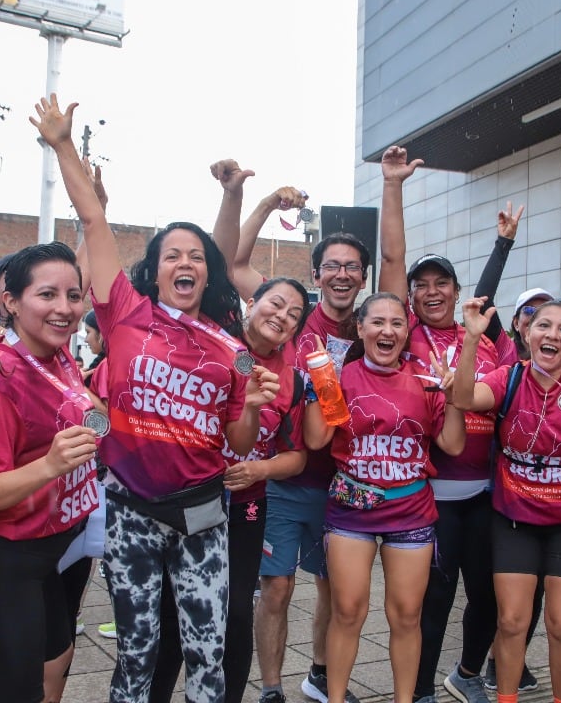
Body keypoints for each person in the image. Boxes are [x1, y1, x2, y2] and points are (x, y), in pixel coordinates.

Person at [36, 93, 277, 703]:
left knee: (207, 653)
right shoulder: (125, 312)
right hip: (131, 510)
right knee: (137, 652)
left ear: (208, 272)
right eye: (173, 255)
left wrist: (251, 405)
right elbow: (95, 223)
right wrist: (63, 146)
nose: (185, 262)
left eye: (196, 256)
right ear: (157, 268)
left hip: (203, 515)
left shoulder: (231, 348)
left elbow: (238, 441)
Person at [147, 161, 312, 703]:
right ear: (251, 302)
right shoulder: (216, 331)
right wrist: (246, 197)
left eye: (293, 314)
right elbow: (222, 260)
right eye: (275, 303)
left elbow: (298, 457)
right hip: (183, 495)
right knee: (172, 615)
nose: (281, 316)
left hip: (244, 508)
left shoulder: (293, 378)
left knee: (234, 613)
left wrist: (259, 468)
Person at [377, 144, 522, 703]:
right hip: (431, 496)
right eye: (423, 285)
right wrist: (394, 187)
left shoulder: (482, 335)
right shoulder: (407, 334)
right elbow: (393, 260)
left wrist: (502, 245)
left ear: (458, 293)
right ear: (411, 297)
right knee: (433, 600)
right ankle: (419, 691)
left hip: (485, 492)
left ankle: (466, 672)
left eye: (443, 283)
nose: (432, 291)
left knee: (487, 596)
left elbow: (488, 301)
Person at [221, 192, 370, 701]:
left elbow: (321, 433)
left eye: (352, 267)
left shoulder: (372, 324)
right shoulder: (294, 315)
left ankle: (321, 674)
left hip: (340, 484)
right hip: (284, 482)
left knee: (333, 587)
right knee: (277, 586)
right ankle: (270, 687)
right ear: (317, 274)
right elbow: (235, 263)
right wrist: (263, 203)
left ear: (364, 278)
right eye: (332, 267)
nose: (342, 275)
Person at [0, 241, 101, 703]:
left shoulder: (57, 353)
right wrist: (49, 466)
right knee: (18, 691)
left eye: (73, 296)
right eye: (47, 295)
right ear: (10, 301)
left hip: (50, 550)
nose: (65, 308)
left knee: (58, 657)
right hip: (5, 558)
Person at [452, 296, 561, 703]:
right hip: (515, 519)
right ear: (527, 333)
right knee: (511, 621)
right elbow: (463, 398)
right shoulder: (509, 377)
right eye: (544, 325)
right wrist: (471, 339)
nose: (553, 335)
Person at [303, 292, 466, 703]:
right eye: (377, 322)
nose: (387, 330)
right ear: (360, 328)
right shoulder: (342, 376)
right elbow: (316, 439)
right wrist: (320, 383)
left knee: (407, 616)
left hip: (410, 511)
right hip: (351, 510)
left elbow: (452, 444)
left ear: (407, 332)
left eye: (397, 323)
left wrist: (454, 397)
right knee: (347, 612)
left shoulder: (426, 379)